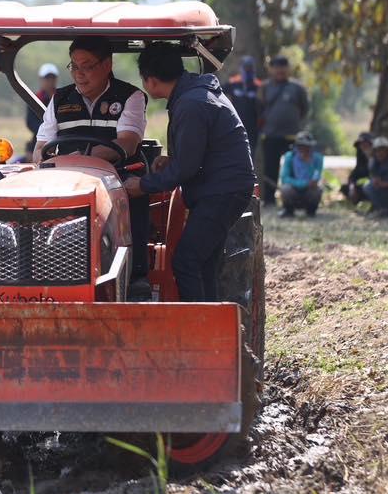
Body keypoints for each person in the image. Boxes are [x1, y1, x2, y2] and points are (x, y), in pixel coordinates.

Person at [123, 41, 256, 302]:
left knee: (185, 261)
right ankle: (213, 324)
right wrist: (172, 160)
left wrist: (143, 185)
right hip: (223, 186)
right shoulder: (194, 94)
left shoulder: (191, 104)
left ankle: (199, 330)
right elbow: (197, 153)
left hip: (221, 191)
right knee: (204, 262)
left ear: (149, 80)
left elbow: (186, 169)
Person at [33, 36, 151, 293]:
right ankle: (38, 269)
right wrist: (53, 160)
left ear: (107, 64)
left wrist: (83, 157)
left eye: (86, 66)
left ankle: (136, 274)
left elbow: (128, 142)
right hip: (64, 178)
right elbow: (41, 148)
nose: (79, 74)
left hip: (115, 177)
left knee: (137, 191)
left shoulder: (131, 96)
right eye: (74, 67)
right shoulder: (59, 99)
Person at [258, 55, 309, 208]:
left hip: (292, 135)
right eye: (276, 67)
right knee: (270, 168)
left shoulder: (298, 88)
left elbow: (304, 109)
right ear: (271, 69)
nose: (280, 70)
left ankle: (293, 200)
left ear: (288, 69)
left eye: (283, 66)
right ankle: (269, 200)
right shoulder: (264, 87)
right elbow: (259, 109)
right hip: (271, 135)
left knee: (295, 168)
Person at [278, 131, 323, 217]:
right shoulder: (290, 157)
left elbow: (316, 176)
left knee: (317, 190)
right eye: (302, 146)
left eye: (307, 146)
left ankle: (311, 211)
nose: (305, 148)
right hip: (294, 188)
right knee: (285, 189)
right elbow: (284, 178)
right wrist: (304, 184)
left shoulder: (317, 158)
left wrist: (309, 164)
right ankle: (288, 210)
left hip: (309, 190)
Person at [224, 56, 263, 150]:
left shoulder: (258, 85)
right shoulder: (233, 83)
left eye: (250, 67)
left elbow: (263, 106)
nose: (248, 69)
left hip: (252, 127)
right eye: (246, 67)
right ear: (241, 67)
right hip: (234, 124)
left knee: (251, 151)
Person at [23, 63, 59, 160]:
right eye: (47, 78)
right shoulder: (34, 99)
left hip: (61, 141)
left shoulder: (62, 98)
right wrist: (48, 131)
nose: (50, 81)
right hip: (38, 142)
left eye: (52, 78)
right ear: (41, 80)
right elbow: (30, 122)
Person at [340, 132, 373, 205]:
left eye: (365, 144)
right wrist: (352, 187)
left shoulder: (377, 158)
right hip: (362, 186)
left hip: (375, 186)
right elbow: (354, 175)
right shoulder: (361, 158)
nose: (363, 146)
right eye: (361, 144)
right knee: (345, 188)